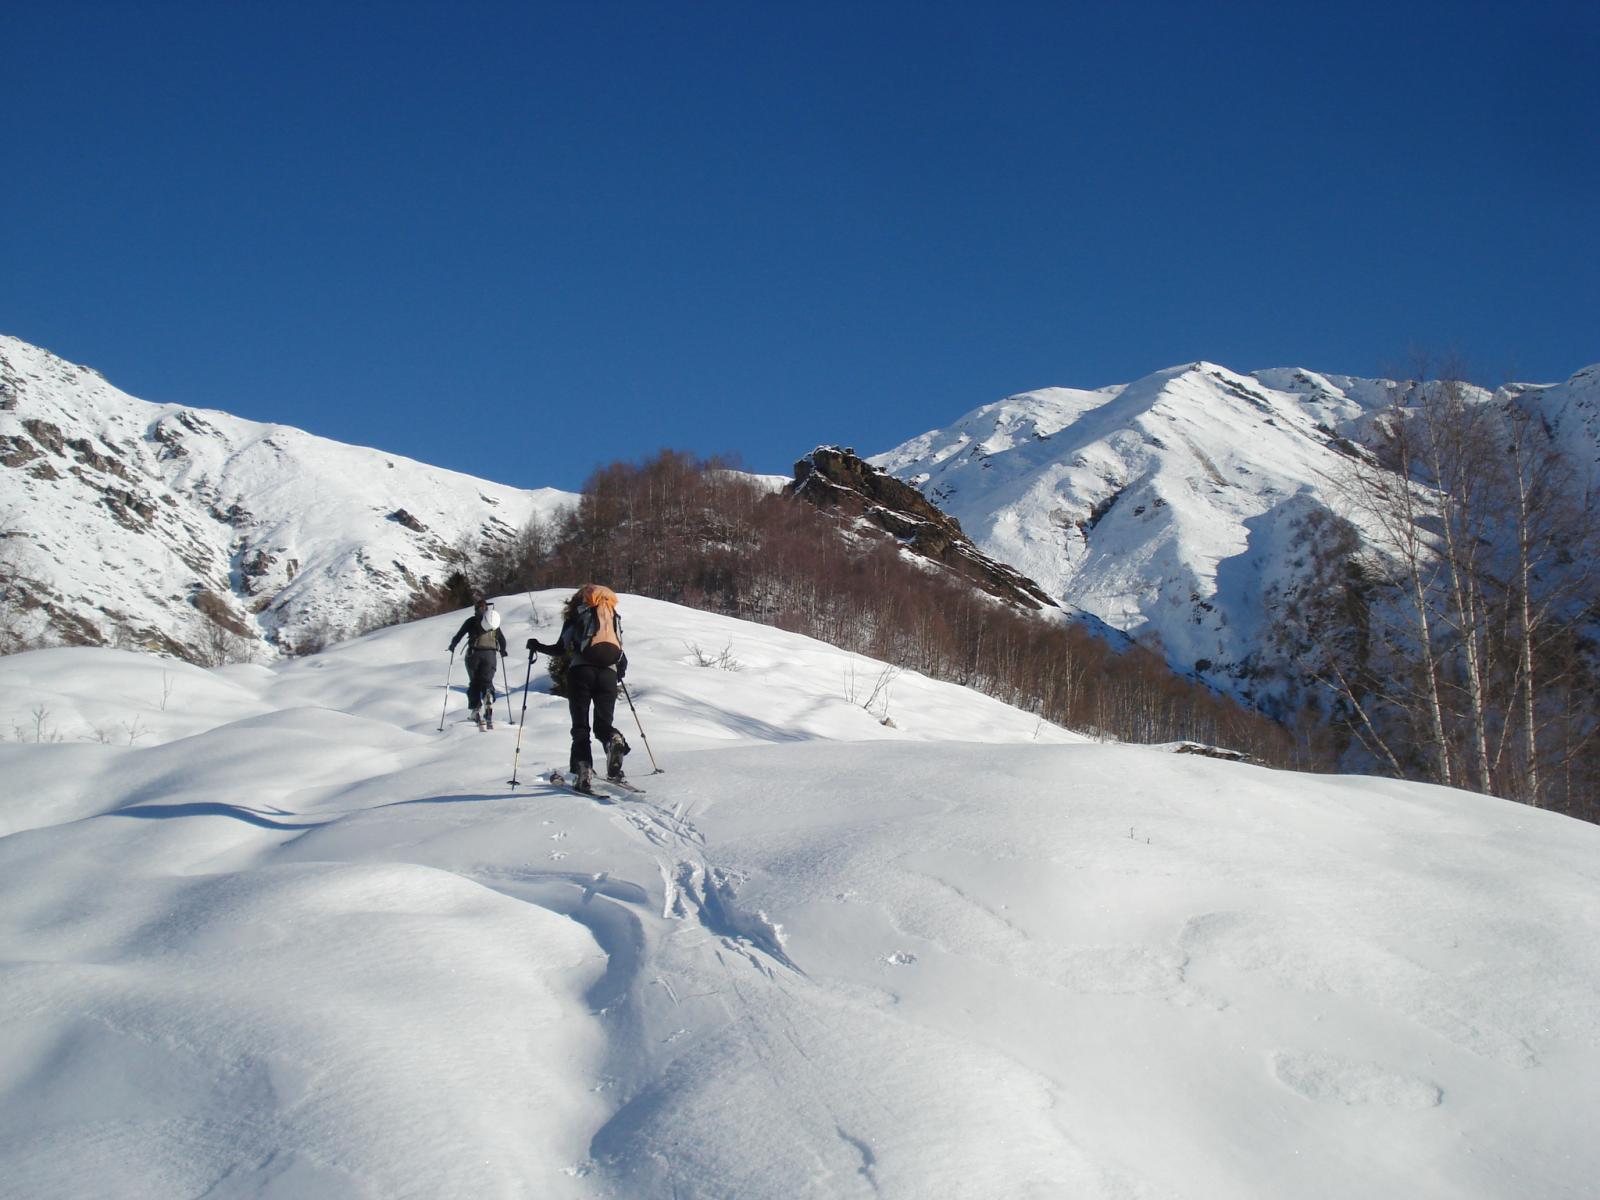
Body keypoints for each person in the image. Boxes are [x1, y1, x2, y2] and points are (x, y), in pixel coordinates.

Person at [528, 583, 630, 792]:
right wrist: (617, 674)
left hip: (581, 672)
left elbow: (560, 649)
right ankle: (613, 739)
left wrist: (536, 645)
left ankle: (583, 769)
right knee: (603, 724)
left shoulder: (577, 617)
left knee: (581, 726)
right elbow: (621, 656)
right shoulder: (612, 618)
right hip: (608, 675)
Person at [448, 597, 507, 729]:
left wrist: (453, 645)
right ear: (487, 609)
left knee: (474, 682)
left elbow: (459, 635)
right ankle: (488, 696)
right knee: (487, 681)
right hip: (490, 655)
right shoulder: (493, 622)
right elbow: (502, 640)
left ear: (475, 609)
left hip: (474, 654)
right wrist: (503, 651)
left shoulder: (472, 621)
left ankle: (476, 710)